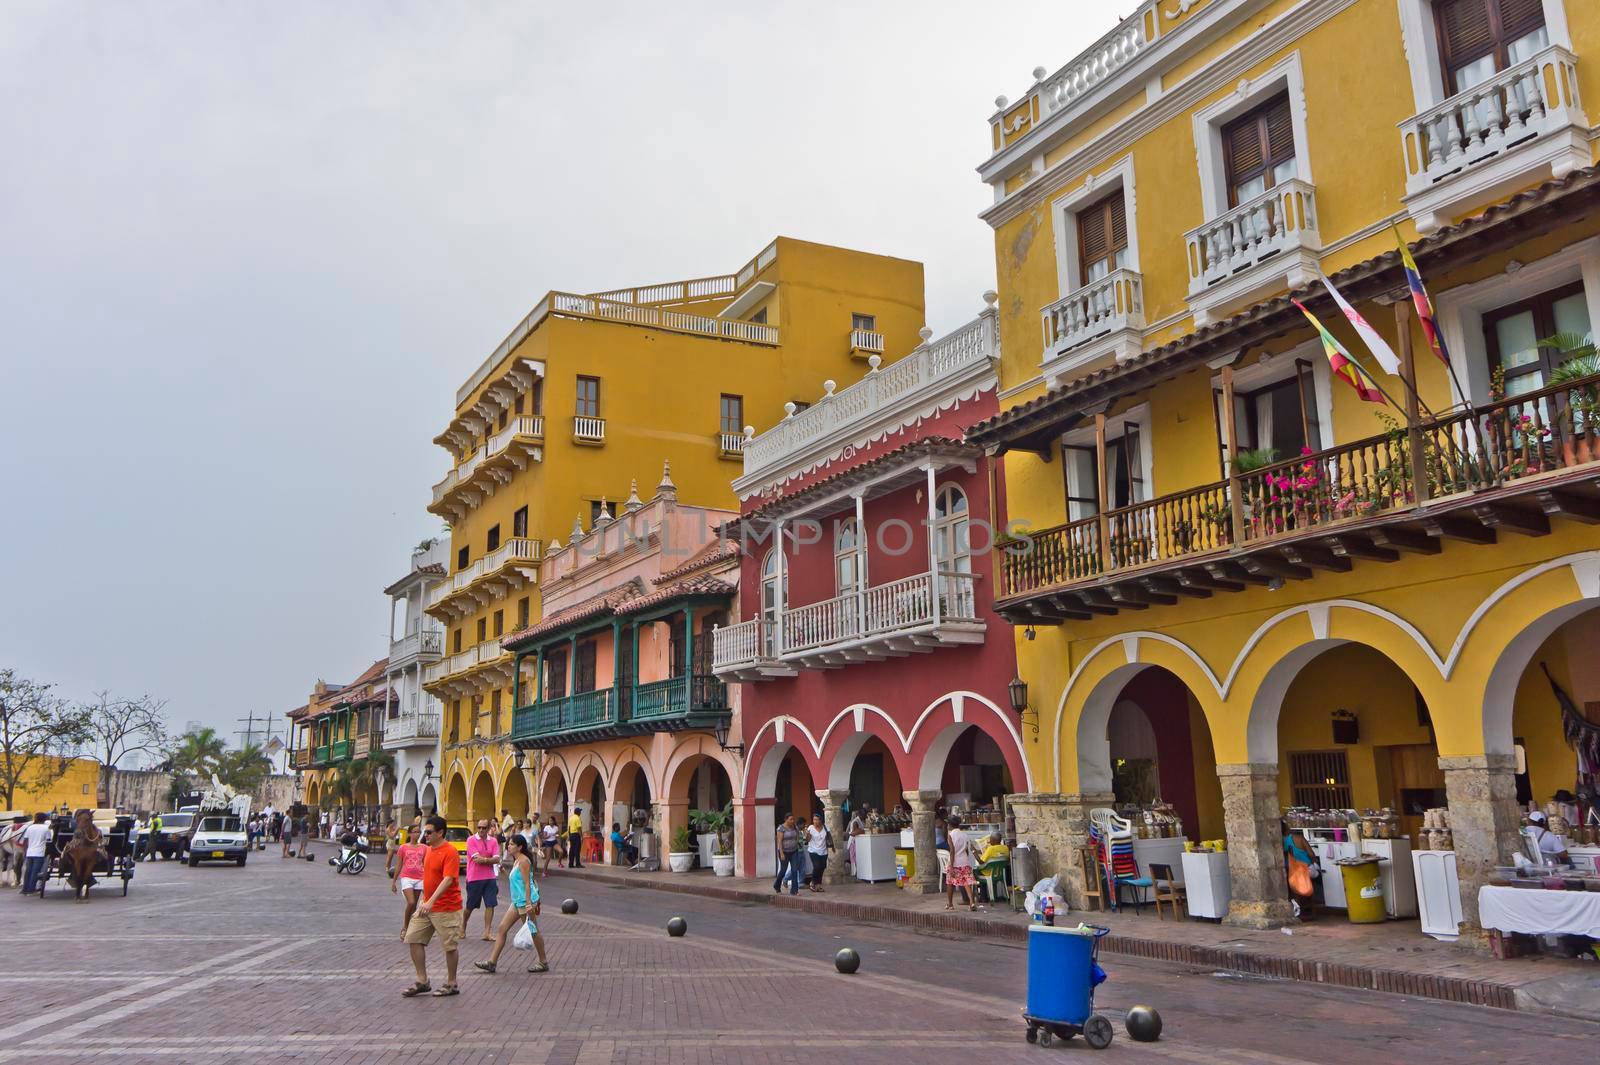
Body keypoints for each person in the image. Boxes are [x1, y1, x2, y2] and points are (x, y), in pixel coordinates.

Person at [402, 816, 462, 997]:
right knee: (413, 937)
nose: (425, 835)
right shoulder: (428, 850)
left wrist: (431, 901)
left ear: (440, 833)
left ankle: (452, 983)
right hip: (427, 905)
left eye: (429, 832)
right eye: (424, 832)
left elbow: (448, 879)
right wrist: (424, 900)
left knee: (449, 946)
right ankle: (422, 980)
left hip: (446, 906)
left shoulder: (450, 851)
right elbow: (428, 877)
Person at [473, 834, 550, 975]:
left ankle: (543, 961)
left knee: (533, 931)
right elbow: (517, 880)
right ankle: (492, 962)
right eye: (508, 844)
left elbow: (527, 883)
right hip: (517, 901)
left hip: (525, 902)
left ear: (520, 847)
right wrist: (503, 872)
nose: (509, 846)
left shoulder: (524, 861)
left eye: (512, 844)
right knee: (502, 928)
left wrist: (528, 904)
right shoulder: (516, 861)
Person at [462, 819, 500, 942]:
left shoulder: (493, 841)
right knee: (470, 906)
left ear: (488, 828)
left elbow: (497, 859)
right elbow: (476, 858)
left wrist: (484, 860)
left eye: (484, 828)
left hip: (490, 877)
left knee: (490, 904)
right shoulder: (471, 840)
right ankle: (463, 926)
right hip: (474, 878)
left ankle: (487, 932)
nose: (481, 830)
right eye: (479, 827)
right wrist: (489, 860)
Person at [391, 828, 429, 938]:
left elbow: (426, 863)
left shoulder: (424, 848)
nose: (416, 834)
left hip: (420, 878)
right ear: (409, 833)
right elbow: (398, 865)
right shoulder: (403, 847)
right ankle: (405, 927)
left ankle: (412, 929)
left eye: (418, 832)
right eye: (414, 832)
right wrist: (394, 881)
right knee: (411, 902)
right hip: (407, 877)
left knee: (415, 905)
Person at [944, 814, 978, 912]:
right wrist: (966, 859)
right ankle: (971, 903)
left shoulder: (950, 835)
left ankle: (950, 904)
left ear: (950, 825)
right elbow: (966, 850)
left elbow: (952, 851)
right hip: (964, 861)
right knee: (967, 883)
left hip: (955, 862)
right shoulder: (964, 834)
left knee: (950, 883)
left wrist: (951, 865)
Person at [19, 812, 52, 895]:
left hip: (30, 852)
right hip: (40, 852)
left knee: (28, 871)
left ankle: (25, 889)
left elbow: (26, 841)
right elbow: (49, 840)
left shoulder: (30, 828)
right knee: (35, 872)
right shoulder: (46, 828)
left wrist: (26, 850)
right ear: (45, 819)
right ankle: (31, 889)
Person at [772, 814, 802, 896]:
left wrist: (797, 842)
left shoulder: (795, 827)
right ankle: (777, 885)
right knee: (783, 870)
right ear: (786, 820)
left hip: (794, 851)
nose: (792, 821)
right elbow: (780, 842)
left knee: (794, 870)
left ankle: (794, 890)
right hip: (784, 851)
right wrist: (781, 853)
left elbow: (797, 836)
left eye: (793, 819)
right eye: (790, 819)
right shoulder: (781, 828)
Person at [804, 813, 831, 892]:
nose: (815, 821)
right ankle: (812, 882)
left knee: (822, 867)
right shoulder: (811, 828)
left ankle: (818, 885)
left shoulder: (825, 827)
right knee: (817, 866)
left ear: (821, 820)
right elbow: (807, 840)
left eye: (817, 819)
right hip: (813, 850)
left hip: (823, 851)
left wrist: (832, 847)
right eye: (814, 819)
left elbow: (829, 836)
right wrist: (807, 835)